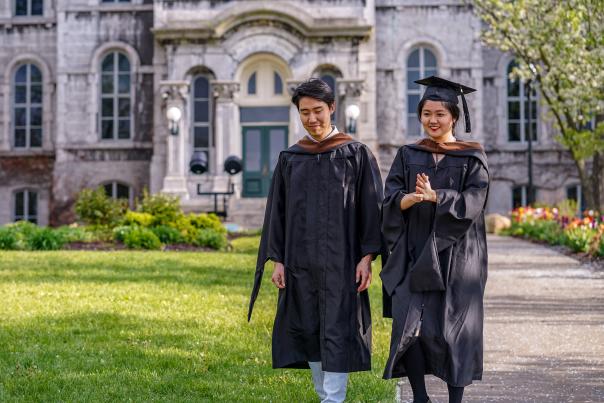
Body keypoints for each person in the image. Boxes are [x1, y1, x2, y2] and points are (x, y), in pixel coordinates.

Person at [248, 78, 384, 403]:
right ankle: (325, 394)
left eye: (318, 111)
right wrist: (278, 258)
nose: (312, 118)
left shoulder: (356, 155)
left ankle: (332, 399)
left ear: (332, 108)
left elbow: (372, 209)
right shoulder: (291, 158)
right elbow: (277, 214)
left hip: (342, 263)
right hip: (300, 262)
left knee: (337, 329)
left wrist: (367, 257)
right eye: (305, 112)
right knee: (309, 328)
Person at [380, 76, 490, 403]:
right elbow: (389, 199)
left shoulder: (471, 157)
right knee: (410, 324)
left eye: (440, 114)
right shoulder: (408, 154)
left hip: (458, 254)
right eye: (427, 113)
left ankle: (455, 399)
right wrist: (409, 200)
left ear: (454, 117)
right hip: (415, 252)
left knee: (455, 328)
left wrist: (436, 196)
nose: (432, 120)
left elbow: (476, 200)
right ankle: (420, 397)